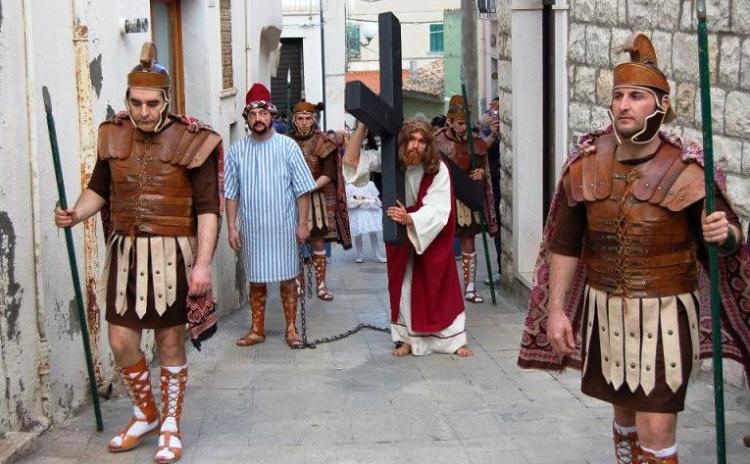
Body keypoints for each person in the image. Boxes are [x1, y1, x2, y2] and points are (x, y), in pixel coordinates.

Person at [517, 33, 750, 464]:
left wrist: (725, 234)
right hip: (605, 312)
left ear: (661, 106)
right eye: (619, 95)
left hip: (665, 317)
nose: (624, 104)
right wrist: (555, 311)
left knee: (656, 430)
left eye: (637, 96)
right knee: (623, 417)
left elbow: (728, 245)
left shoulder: (690, 170)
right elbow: (563, 246)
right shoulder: (584, 164)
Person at [54, 42, 221, 463]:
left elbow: (208, 210)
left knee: (169, 342)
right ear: (127, 99)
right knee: (121, 340)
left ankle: (170, 424)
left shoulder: (193, 139)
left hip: (173, 255)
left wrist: (202, 264)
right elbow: (99, 190)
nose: (144, 111)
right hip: (125, 254)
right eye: (136, 102)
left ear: (166, 100)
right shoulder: (112, 135)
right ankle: (146, 412)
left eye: (151, 103)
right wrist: (76, 213)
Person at [343, 118, 472, 358]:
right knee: (404, 286)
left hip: (427, 232)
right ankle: (406, 339)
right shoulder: (392, 158)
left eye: (422, 141)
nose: (415, 146)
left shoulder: (438, 168)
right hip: (402, 232)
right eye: (411, 139)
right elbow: (351, 163)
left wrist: (411, 219)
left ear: (428, 145)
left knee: (439, 285)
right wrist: (362, 126)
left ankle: (453, 340)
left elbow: (439, 208)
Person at [226, 83, 316, 348]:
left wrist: (303, 224)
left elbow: (303, 190)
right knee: (256, 279)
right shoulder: (237, 152)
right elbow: (231, 194)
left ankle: (291, 329)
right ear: (247, 118)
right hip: (253, 229)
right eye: (253, 115)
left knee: (289, 278)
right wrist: (232, 227)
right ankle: (257, 329)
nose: (258, 119)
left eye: (262, 114)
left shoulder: (288, 147)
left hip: (284, 226)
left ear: (271, 116)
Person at [434, 95, 499, 303]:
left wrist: (479, 174)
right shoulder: (436, 142)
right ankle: (439, 287)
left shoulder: (474, 143)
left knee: (468, 241)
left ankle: (470, 288)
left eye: (465, 124)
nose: (463, 128)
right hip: (443, 198)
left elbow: (479, 164)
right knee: (440, 242)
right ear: (450, 121)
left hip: (465, 199)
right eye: (460, 123)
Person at [288, 100, 352, 301]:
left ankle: (321, 285)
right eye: (300, 118)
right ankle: (298, 282)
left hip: (316, 198)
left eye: (308, 118)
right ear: (294, 119)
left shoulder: (324, 142)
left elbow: (329, 173)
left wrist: (308, 187)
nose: (305, 122)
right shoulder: (286, 142)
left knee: (317, 240)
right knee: (293, 242)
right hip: (290, 198)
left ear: (313, 119)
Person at [345, 179, 387, 263]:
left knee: (373, 233)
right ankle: (359, 255)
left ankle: (378, 254)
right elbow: (349, 202)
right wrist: (363, 200)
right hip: (357, 213)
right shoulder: (349, 186)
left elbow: (376, 200)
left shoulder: (370, 184)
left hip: (369, 212)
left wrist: (363, 200)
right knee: (358, 233)